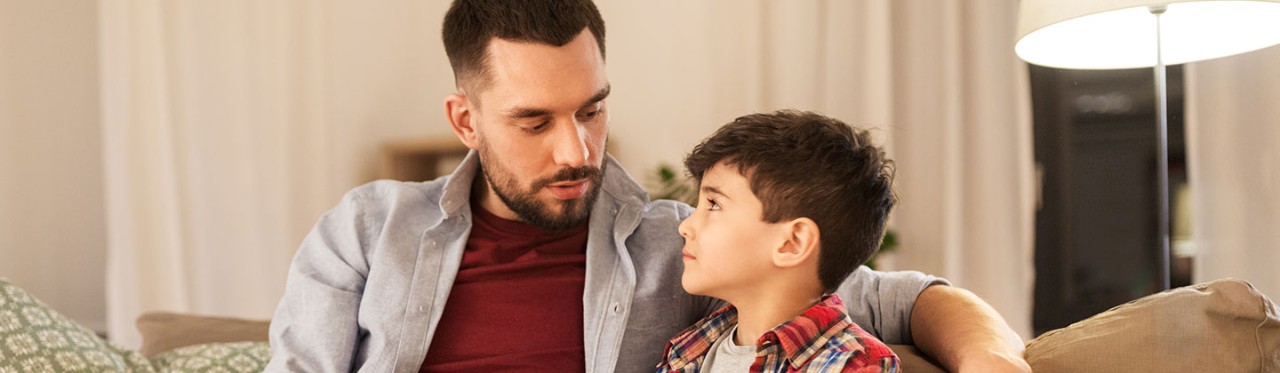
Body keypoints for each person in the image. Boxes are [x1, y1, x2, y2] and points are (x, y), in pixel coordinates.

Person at [266, 0, 1031, 372]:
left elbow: (903, 296)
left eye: (592, 109)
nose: (578, 149)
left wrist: (994, 360)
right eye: (534, 122)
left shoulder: (684, 245)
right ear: (465, 119)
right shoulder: (365, 230)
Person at [655, 111, 901, 372]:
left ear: (792, 243)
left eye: (713, 204)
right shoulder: (689, 350)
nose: (685, 226)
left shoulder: (852, 366)